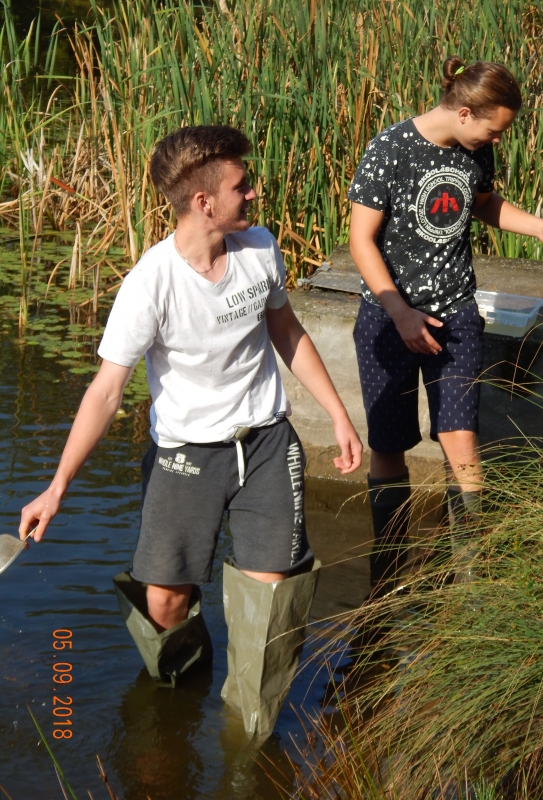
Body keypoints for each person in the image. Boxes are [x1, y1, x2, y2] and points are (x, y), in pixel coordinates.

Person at [19, 125, 362, 737]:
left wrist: (337, 414)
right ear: (204, 201)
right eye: (241, 185)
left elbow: (285, 331)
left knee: (268, 601)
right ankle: (177, 702)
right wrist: (56, 487)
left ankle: (248, 736)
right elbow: (104, 391)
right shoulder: (149, 284)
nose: (253, 193)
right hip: (185, 455)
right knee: (165, 605)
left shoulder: (260, 249)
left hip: (265, 443)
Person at [348, 57, 543, 589]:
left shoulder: (475, 149)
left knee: (461, 439)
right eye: (494, 129)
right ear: (466, 112)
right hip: (388, 320)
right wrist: (400, 312)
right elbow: (361, 240)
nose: (496, 140)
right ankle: (388, 575)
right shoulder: (389, 149)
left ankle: (470, 585)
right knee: (387, 444)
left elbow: (483, 203)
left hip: (455, 314)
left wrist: (538, 228)